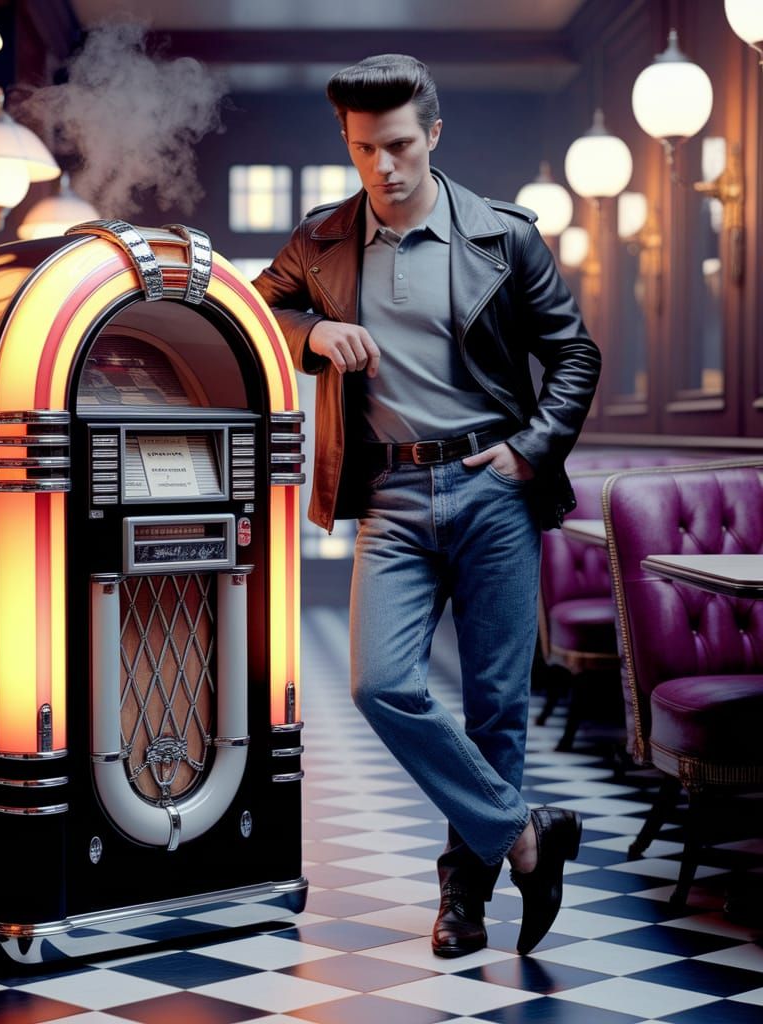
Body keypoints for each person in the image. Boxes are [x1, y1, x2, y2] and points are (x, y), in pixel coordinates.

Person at [253, 54, 600, 957]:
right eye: (365, 148)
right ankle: (526, 835)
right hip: (394, 495)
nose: (384, 168)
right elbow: (247, 315)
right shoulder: (320, 241)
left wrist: (528, 453)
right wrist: (311, 332)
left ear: (434, 135)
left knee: (495, 710)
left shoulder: (504, 236)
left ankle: (464, 903)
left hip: (493, 491)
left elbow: (575, 355)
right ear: (348, 142)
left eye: (400, 145)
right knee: (380, 683)